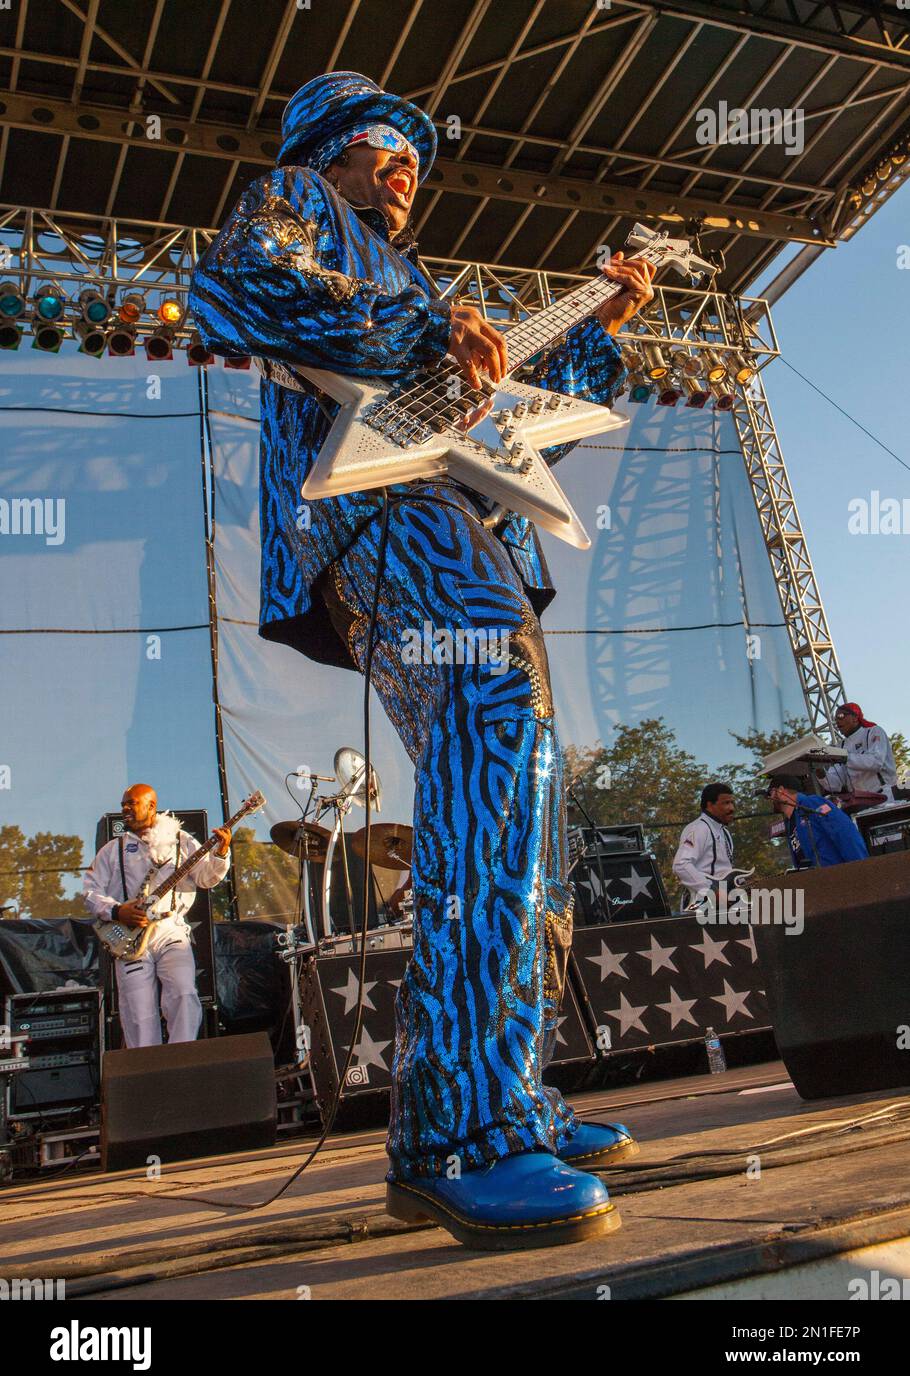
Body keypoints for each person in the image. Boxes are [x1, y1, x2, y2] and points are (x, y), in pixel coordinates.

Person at [188, 71, 656, 1250]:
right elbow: (236, 284)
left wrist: (599, 332)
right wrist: (415, 325)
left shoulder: (420, 282)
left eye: (414, 153)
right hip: (382, 519)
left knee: (524, 785)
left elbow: (508, 407)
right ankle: (455, 1124)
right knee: (492, 734)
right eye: (383, 145)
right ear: (331, 148)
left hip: (452, 521)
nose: (405, 164)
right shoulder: (297, 198)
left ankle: (518, 1089)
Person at [83, 784, 232, 1048]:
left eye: (131, 803)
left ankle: (181, 1059)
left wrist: (221, 853)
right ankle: (147, 1073)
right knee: (139, 1013)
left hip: (170, 930)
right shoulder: (112, 850)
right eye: (123, 805)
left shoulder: (182, 840)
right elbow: (90, 892)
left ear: (151, 806)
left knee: (184, 993)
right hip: (131, 937)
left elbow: (206, 878)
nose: (125, 809)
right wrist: (118, 911)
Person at [769, 775, 868, 868]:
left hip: (840, 875)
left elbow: (845, 833)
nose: (769, 799)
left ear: (781, 790)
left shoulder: (812, 803)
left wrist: (860, 868)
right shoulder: (790, 822)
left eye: (770, 793)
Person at [672, 783, 736, 908]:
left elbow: (723, 872)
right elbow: (680, 865)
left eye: (732, 803)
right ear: (709, 805)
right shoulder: (699, 828)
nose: (732, 808)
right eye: (726, 803)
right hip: (702, 905)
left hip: (721, 906)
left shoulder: (725, 832)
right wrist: (710, 890)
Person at [822, 702, 898, 805]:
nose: (837, 721)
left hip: (884, 797)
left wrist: (844, 758)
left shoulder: (874, 731)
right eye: (835, 719)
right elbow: (836, 784)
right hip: (859, 802)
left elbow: (876, 762)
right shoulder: (841, 746)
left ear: (855, 717)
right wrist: (820, 771)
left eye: (841, 716)